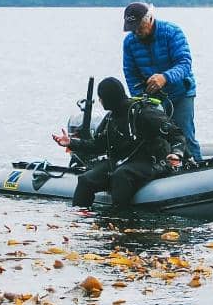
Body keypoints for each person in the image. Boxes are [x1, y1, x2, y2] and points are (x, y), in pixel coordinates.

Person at [52, 77, 186, 209]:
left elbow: (176, 133)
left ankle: (120, 218)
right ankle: (80, 216)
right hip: (123, 161)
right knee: (86, 180)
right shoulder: (110, 118)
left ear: (108, 98)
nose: (100, 101)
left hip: (151, 161)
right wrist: (71, 142)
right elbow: (98, 145)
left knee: (121, 176)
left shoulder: (144, 113)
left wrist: (177, 153)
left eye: (101, 97)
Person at [121, 2, 201, 160]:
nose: (136, 32)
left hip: (181, 93)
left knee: (186, 137)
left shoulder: (172, 32)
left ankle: (199, 167)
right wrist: (140, 99)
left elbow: (185, 63)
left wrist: (165, 77)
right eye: (132, 29)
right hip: (153, 98)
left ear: (149, 19)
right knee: (159, 140)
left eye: (139, 27)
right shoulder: (129, 42)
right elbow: (130, 74)